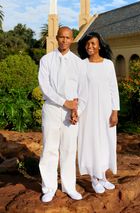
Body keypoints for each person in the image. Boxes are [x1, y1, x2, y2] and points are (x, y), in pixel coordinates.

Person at [38, 26, 87, 202]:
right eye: (61, 37)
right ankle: (49, 188)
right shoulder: (46, 60)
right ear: (56, 38)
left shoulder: (78, 63)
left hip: (70, 114)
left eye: (68, 37)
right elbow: (45, 87)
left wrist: (76, 110)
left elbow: (83, 91)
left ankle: (69, 187)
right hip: (51, 109)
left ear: (71, 39)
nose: (64, 40)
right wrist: (64, 102)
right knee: (50, 149)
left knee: (68, 149)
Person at [77, 31, 120, 194]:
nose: (90, 46)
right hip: (88, 111)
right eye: (87, 44)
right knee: (90, 142)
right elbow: (78, 89)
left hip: (106, 111)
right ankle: (94, 179)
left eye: (93, 43)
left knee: (105, 142)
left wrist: (115, 111)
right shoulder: (82, 65)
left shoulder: (108, 64)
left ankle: (102, 176)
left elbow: (113, 89)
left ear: (99, 46)